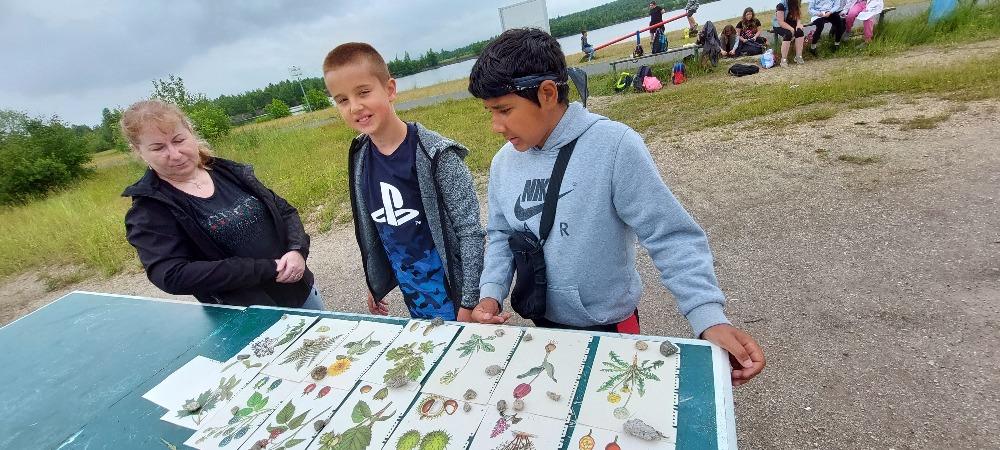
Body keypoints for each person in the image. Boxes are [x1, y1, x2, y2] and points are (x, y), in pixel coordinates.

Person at [465, 28, 765, 387]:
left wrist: (708, 316)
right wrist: (490, 294)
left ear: (547, 93)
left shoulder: (614, 146)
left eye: (504, 110)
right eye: (490, 112)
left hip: (608, 326)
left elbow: (670, 236)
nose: (496, 126)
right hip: (541, 324)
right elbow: (501, 234)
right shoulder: (503, 163)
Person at [322, 42, 484, 321]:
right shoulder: (360, 157)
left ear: (390, 89)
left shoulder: (436, 156)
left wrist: (469, 303)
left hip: (458, 301)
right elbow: (379, 227)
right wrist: (376, 280)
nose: (355, 107)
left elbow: (470, 233)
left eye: (363, 92)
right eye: (342, 100)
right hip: (415, 299)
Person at [121, 100, 323, 309]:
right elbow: (172, 274)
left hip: (301, 290)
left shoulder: (227, 172)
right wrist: (266, 268)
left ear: (190, 131)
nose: (175, 154)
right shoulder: (150, 209)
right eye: (158, 148)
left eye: (179, 140)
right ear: (139, 151)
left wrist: (297, 250)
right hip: (249, 314)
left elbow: (285, 211)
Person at [773, 0, 806, 66]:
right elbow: (781, 22)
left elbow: (798, 15)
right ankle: (783, 59)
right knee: (788, 34)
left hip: (790, 23)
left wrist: (799, 24)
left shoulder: (796, 2)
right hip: (779, 25)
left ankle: (798, 56)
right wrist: (792, 29)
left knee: (799, 32)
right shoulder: (781, 5)